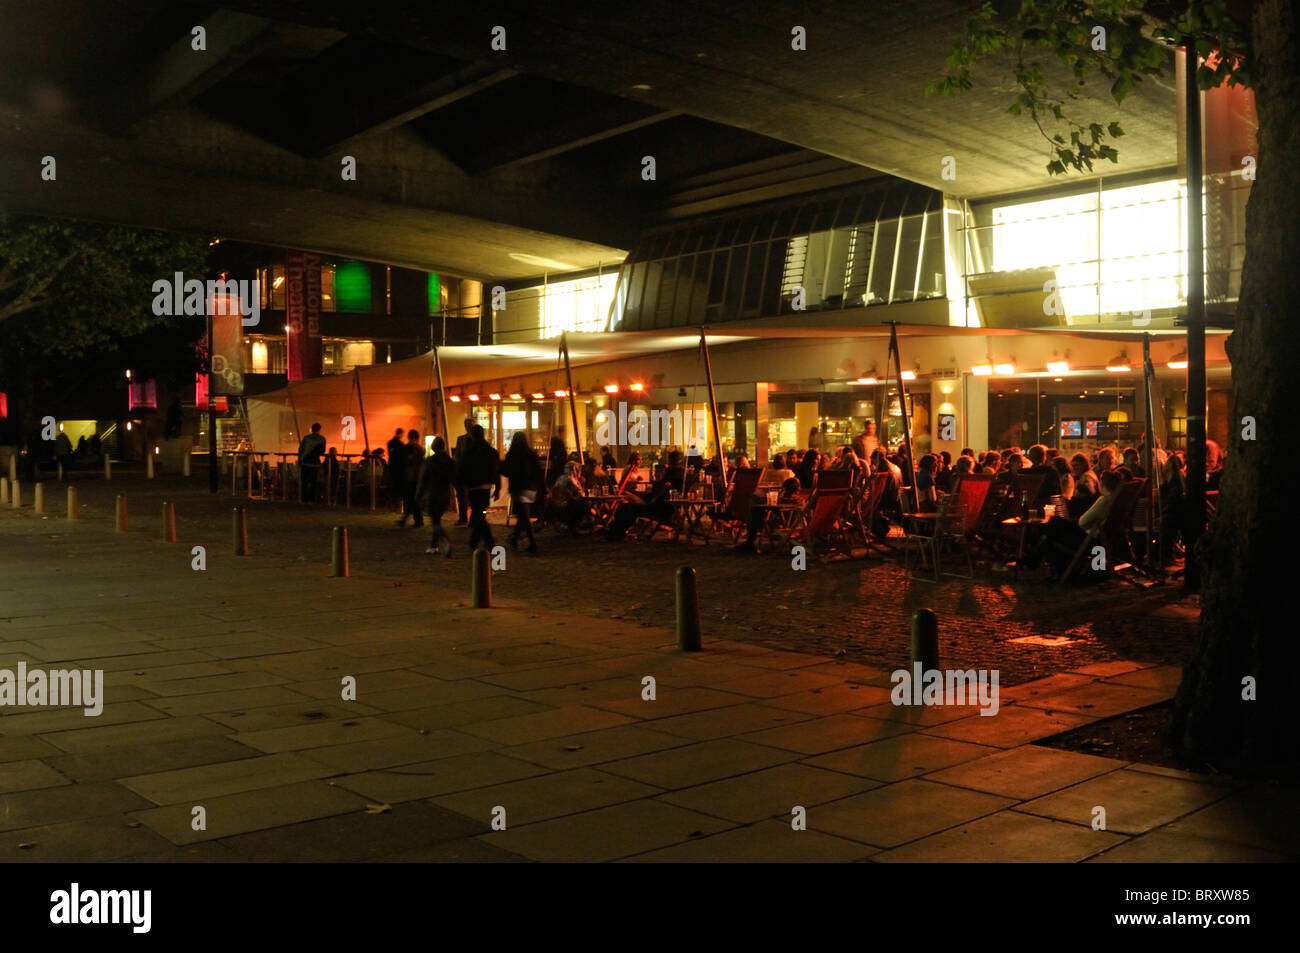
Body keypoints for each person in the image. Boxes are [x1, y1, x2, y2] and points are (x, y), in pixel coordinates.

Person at [1036, 470, 1124, 579]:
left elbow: (1082, 522)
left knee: (1054, 523)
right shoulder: (1118, 500)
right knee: (1052, 532)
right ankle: (1039, 559)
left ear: (1102, 484)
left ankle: (1040, 561)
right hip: (1101, 540)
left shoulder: (1104, 500)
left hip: (1089, 541)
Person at [460, 424, 500, 550]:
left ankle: (483, 541)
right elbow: (495, 469)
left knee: (478, 513)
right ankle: (482, 541)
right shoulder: (490, 450)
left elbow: (463, 470)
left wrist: (464, 486)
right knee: (479, 513)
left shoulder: (469, 451)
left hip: (473, 486)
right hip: (486, 486)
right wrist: (497, 486)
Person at [502, 432, 543, 553]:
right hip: (530, 487)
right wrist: (541, 486)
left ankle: (531, 542)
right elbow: (538, 471)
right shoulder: (531, 454)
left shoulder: (512, 455)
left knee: (524, 515)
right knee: (523, 514)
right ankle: (515, 539)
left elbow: (505, 470)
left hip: (518, 487)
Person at [415, 436, 456, 556]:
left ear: (433, 447)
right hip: (445, 495)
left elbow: (422, 480)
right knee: (437, 520)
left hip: (432, 495)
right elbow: (455, 478)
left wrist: (418, 495)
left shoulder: (429, 461)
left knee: (435, 522)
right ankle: (433, 546)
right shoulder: (449, 461)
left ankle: (445, 541)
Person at [397, 430, 425, 527]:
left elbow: (405, 462)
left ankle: (414, 520)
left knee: (411, 499)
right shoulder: (421, 449)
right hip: (417, 477)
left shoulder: (408, 448)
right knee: (414, 499)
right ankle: (411, 519)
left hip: (410, 477)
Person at [452, 419, 474, 526]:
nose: (468, 427)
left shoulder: (474, 440)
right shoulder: (461, 439)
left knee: (467, 497)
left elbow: (457, 456)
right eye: (467, 425)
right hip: (464, 473)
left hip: (471, 473)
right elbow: (457, 456)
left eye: (470, 425)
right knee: (463, 497)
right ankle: (463, 518)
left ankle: (466, 519)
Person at [297, 422, 326, 503]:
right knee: (313, 482)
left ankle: (304, 499)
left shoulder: (306, 438)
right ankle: (312, 498)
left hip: (305, 462)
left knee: (304, 481)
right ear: (319, 429)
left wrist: (300, 460)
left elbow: (300, 449)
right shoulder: (322, 439)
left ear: (312, 429)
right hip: (314, 463)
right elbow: (322, 452)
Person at [387, 428, 406, 514]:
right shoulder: (401, 444)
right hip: (399, 468)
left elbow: (391, 455)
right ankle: (398, 507)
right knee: (398, 488)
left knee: (392, 487)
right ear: (400, 434)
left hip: (392, 467)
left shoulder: (390, 443)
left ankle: (392, 506)